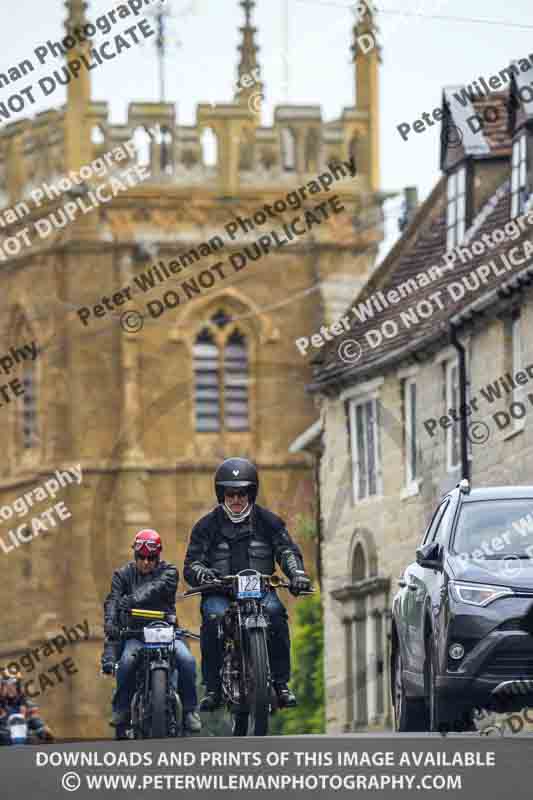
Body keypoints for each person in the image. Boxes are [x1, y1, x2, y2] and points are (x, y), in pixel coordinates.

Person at [183, 457, 312, 711]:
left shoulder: (268, 521)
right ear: (222, 495)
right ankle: (212, 688)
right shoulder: (206, 526)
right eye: (230, 494)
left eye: (242, 493)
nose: (236, 500)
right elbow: (192, 562)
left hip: (261, 590)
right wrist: (203, 575)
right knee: (213, 617)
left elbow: (287, 551)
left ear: (251, 493)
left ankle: (280, 685)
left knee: (276, 614)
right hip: (220, 592)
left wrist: (297, 573)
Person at [101, 529, 201, 734]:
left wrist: (132, 599)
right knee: (127, 662)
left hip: (166, 631)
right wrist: (110, 621)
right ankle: (121, 710)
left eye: (151, 558)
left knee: (187, 661)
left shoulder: (170, 572)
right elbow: (112, 600)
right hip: (135, 634)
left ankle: (190, 711)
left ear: (158, 557)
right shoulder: (122, 575)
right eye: (141, 557)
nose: (146, 562)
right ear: (135, 555)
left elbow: (158, 586)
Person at [0, 674, 53, 744]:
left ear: (18, 686)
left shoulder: (28, 705)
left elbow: (38, 725)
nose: (10, 688)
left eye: (13, 685)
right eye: (6, 685)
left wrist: (43, 731)